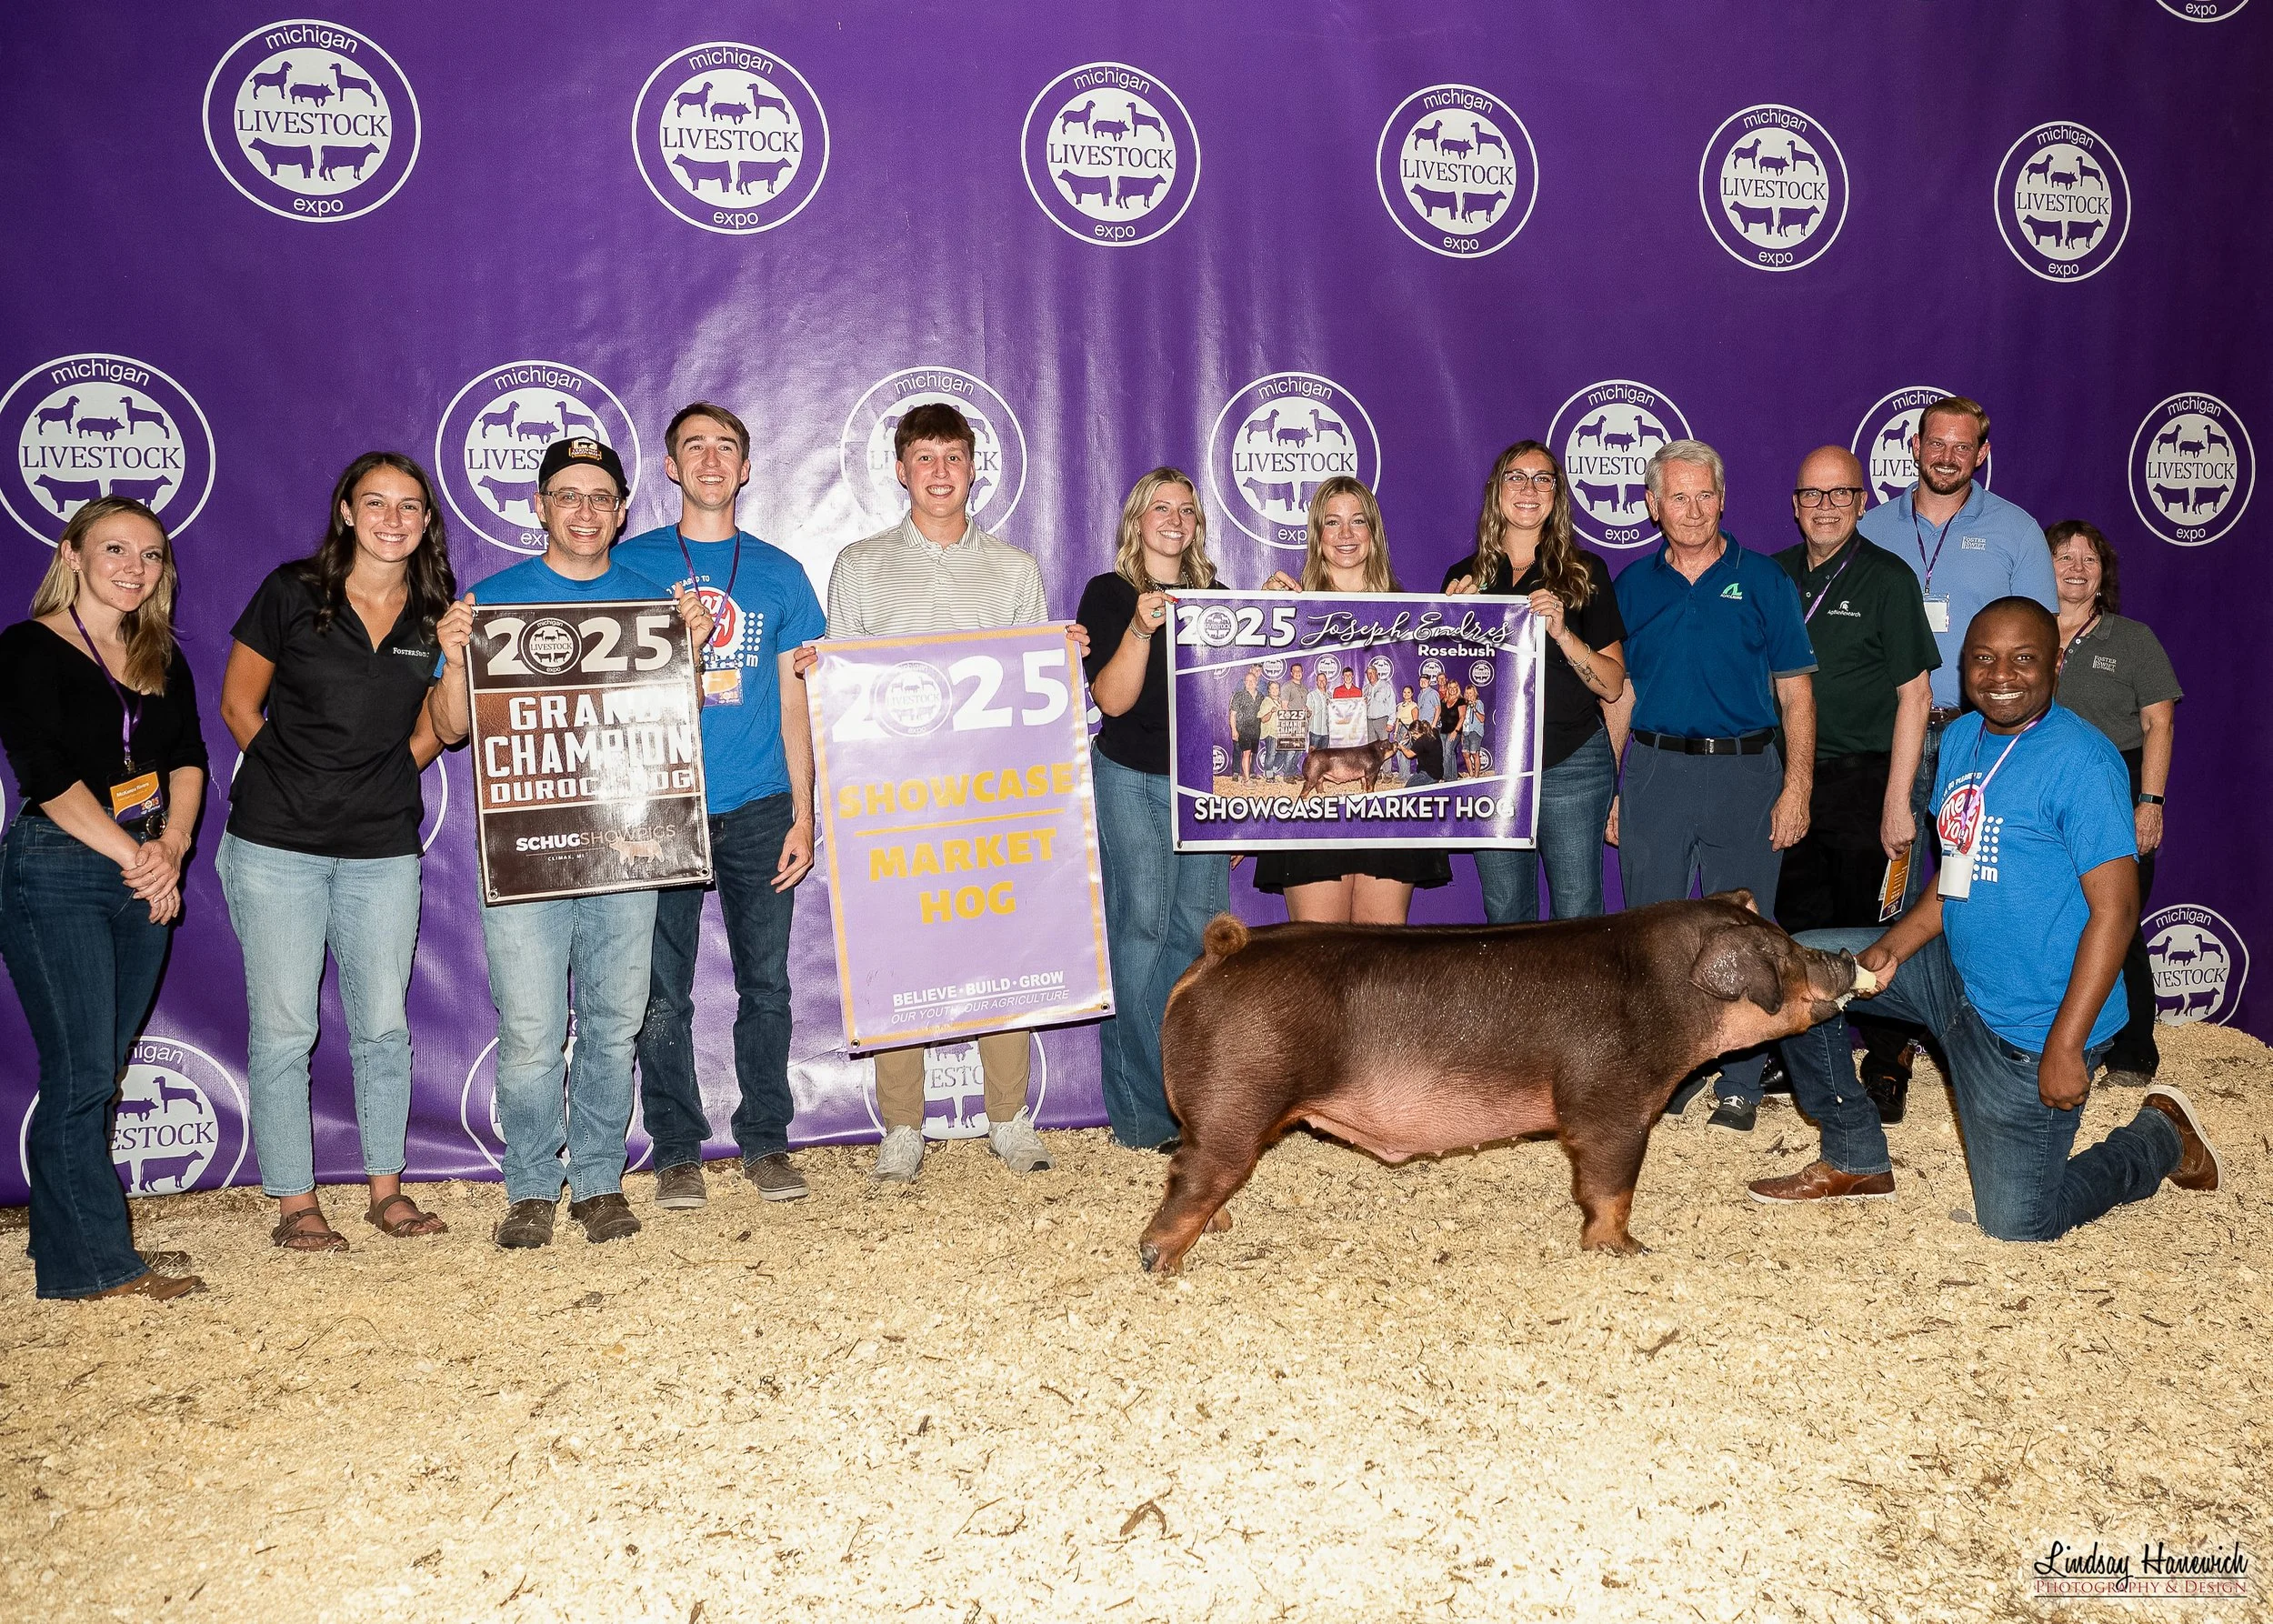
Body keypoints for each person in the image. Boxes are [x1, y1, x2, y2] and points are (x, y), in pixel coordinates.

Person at [1752, 599, 2222, 1238]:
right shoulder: (1964, 740)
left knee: (2020, 1222)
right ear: (1963, 666)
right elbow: (1958, 873)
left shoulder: (2083, 763)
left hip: (2032, 1028)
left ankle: (2159, 1136)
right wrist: (1893, 948)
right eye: (1984, 658)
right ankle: (1855, 1157)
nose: (2002, 675)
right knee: (1805, 967)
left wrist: (2064, 1045)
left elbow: (2115, 914)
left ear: (2056, 663)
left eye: (2024, 659)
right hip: (1956, 975)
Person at [429, 439, 714, 1248]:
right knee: (528, 1032)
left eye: (600, 497)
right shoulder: (492, 600)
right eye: (567, 495)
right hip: (528, 855)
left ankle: (595, 1179)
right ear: (539, 507)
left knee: (615, 1020)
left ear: (623, 510)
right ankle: (529, 1185)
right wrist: (455, 660)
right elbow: (450, 730)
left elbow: (676, 731)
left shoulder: (652, 601)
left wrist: (693, 648)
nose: (584, 511)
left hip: (627, 851)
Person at [821, 402, 1081, 1184]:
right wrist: (822, 672)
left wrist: (1058, 658)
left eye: (954, 457)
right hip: (895, 804)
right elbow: (845, 689)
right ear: (901, 470)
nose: (940, 471)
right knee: (896, 950)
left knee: (1001, 942)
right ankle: (903, 1125)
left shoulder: (1014, 569)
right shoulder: (859, 566)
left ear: (975, 470)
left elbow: (1032, 692)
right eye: (924, 457)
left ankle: (1008, 1116)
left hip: (988, 796)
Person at [216, 453, 456, 1251]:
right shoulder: (293, 592)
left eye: (410, 506)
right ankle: (294, 1200)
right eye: (377, 503)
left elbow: (443, 728)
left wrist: (385, 774)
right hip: (274, 846)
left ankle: (386, 1190)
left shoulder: (436, 616)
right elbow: (237, 703)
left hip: (382, 847)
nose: (394, 519)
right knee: (285, 1028)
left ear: (427, 521)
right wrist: (296, 780)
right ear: (347, 512)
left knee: (383, 1026)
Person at [616, 403, 826, 1210]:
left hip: (761, 803)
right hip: (657, 806)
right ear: (670, 467)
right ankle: (675, 1149)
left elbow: (795, 702)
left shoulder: (778, 572)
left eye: (726, 447)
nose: (710, 459)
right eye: (693, 447)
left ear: (745, 469)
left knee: (765, 985)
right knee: (661, 991)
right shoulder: (627, 567)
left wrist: (805, 814)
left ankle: (767, 1140)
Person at [0, 499, 207, 1300]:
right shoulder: (26, 649)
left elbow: (187, 755)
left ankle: (62, 1238)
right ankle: (95, 1266)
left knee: (100, 1069)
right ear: (72, 554)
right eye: (115, 549)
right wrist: (137, 856)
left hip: (145, 865)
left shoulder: (159, 651)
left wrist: (173, 849)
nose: (134, 567)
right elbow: (45, 775)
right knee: (82, 1072)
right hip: (60, 868)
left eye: (151, 554)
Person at [1610, 440, 1817, 1132]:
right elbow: (1622, 694)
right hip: (1656, 769)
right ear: (1652, 505)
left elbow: (1796, 693)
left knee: (1748, 929)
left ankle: (1741, 1079)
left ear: (1722, 500)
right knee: (1653, 934)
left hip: (1744, 771)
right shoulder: (1632, 586)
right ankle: (1664, 1073)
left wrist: (1797, 787)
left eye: (1705, 496)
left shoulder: (1763, 580)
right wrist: (1616, 788)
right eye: (1678, 497)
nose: (1693, 510)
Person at [1768, 446, 1939, 1123]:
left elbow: (1917, 695)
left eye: (1840, 495)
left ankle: (1889, 1058)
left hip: (1869, 780)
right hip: (1790, 780)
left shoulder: (1887, 578)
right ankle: (1811, 1053)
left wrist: (1899, 800)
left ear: (1862, 501)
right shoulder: (1772, 576)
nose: (1825, 508)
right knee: (1802, 925)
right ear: (1794, 504)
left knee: (1875, 927)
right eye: (1812, 495)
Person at [1074, 466, 1230, 1150]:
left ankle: (1196, 1104)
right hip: (1133, 779)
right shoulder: (1109, 595)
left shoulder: (1222, 600)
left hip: (1207, 788)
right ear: (1137, 520)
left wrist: (1286, 617)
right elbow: (1111, 701)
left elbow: (1239, 707)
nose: (1175, 519)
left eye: (1187, 510)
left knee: (1202, 941)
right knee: (1142, 934)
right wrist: (1140, 625)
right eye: (1160, 507)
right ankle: (1144, 1116)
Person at [1855, 396, 2056, 895]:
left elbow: (2043, 641)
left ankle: (1966, 974)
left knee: (1971, 885)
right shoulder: (1869, 529)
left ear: (1981, 453)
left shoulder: (2016, 530)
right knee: (1886, 884)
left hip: (1979, 732)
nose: (1947, 456)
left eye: (1962, 447)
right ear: (1916, 446)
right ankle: (1890, 973)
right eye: (1937, 443)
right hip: (1886, 732)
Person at [1443, 442, 1627, 921]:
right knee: (1504, 914)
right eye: (1516, 477)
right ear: (1496, 492)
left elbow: (1611, 685)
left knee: (1578, 911)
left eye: (1542, 478)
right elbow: (1450, 685)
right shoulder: (1464, 578)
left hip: (1572, 763)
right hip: (1492, 768)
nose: (1529, 488)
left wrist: (1563, 634)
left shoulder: (1586, 574)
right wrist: (1448, 620)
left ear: (1556, 494)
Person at [1254, 478, 1451, 920]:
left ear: (1373, 532)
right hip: (1314, 823)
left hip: (1390, 821)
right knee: (1318, 953)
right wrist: (1264, 615)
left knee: (1379, 956)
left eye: (1357, 522)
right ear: (1317, 536)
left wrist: (1470, 611)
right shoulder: (1286, 612)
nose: (1345, 534)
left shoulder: (1411, 613)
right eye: (1333, 523)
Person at [2046, 520, 2180, 1088]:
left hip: (2115, 788)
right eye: (2064, 556)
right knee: (2050, 919)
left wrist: (2149, 801)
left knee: (2117, 919)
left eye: (2090, 559)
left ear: (2104, 575)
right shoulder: (2021, 629)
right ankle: (2057, 1036)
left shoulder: (2131, 639)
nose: (2077, 568)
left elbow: (2160, 722)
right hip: (2041, 790)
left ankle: (2135, 1046)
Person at [1272, 661, 1308, 783]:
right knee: (1291, 750)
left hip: (1302, 723)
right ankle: (1287, 774)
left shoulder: (1304, 688)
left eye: (1300, 671)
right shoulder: (1287, 686)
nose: (1298, 673)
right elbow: (1284, 706)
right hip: (1291, 722)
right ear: (1291, 673)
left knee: (1299, 750)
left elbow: (1303, 705)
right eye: (1295, 671)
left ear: (1302, 673)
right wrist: (1292, 719)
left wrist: (1306, 710)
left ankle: (1293, 771)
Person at [1228, 667, 1263, 784]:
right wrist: (1234, 730)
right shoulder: (1238, 695)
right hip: (1242, 729)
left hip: (1256, 730)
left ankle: (1245, 775)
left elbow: (1263, 713)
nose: (1250, 683)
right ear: (1244, 683)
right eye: (1247, 681)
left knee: (1250, 754)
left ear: (1256, 682)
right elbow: (1233, 714)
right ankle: (1247, 780)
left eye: (1252, 681)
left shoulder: (1261, 697)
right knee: (1246, 753)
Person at [1257, 679, 1283, 781]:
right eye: (1272, 688)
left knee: (1282, 752)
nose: (1275, 690)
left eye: (1276, 688)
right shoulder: (1266, 701)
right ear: (1269, 690)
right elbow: (1263, 719)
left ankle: (1272, 770)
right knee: (1271, 753)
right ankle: (1269, 775)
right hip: (1270, 732)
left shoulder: (1281, 701)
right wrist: (1271, 712)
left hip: (1280, 732)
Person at [1365, 659, 1396, 743]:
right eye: (1368, 674)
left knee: (1385, 747)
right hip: (1369, 722)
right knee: (1372, 750)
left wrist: (1391, 721)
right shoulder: (1365, 688)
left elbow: (1392, 704)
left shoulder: (1385, 685)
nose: (1370, 675)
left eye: (1372, 673)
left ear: (1377, 674)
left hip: (1382, 721)